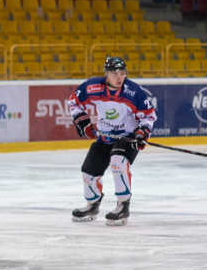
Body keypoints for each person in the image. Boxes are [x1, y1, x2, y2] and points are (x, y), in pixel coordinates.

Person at [67, 56, 157, 226]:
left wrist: (142, 132)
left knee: (118, 162)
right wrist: (81, 119)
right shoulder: (93, 86)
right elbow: (74, 102)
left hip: (127, 138)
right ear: (106, 74)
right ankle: (92, 205)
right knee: (88, 172)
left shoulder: (133, 91)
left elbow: (148, 115)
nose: (119, 77)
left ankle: (123, 206)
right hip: (105, 136)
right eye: (114, 73)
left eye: (122, 73)